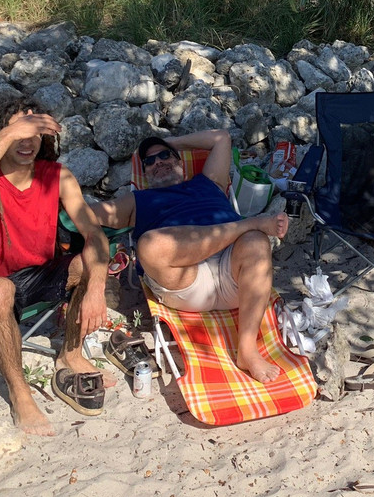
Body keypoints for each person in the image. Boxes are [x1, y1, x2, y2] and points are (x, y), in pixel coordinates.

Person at [0, 95, 112, 437]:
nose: (27, 140)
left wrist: (96, 285)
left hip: (34, 278)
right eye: (19, 131)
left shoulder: (56, 177)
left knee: (86, 264)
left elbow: (93, 232)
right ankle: (20, 394)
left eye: (35, 132)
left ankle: (71, 354)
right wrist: (8, 134)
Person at [91, 129, 288, 384]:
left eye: (164, 156)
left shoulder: (209, 181)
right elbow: (85, 215)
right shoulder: (137, 200)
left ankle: (247, 350)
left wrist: (170, 141)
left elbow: (221, 139)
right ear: (146, 174)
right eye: (149, 162)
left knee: (256, 241)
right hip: (185, 282)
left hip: (234, 273)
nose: (158, 162)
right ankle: (248, 224)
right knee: (150, 245)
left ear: (179, 161)